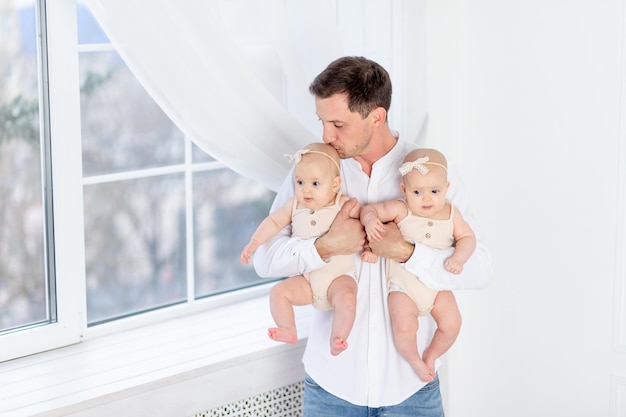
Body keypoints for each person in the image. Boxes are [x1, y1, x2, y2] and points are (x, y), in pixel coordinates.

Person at [253, 56, 492, 416]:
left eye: (337, 124)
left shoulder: (429, 171)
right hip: (330, 388)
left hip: (412, 389)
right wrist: (324, 246)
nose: (325, 136)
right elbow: (263, 259)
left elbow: (480, 269)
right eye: (322, 122)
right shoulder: (313, 169)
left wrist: (407, 252)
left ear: (376, 117)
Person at [360, 147, 475, 382]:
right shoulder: (401, 210)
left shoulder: (452, 214)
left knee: (452, 323)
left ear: (446, 188)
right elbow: (370, 210)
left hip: (437, 287)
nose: (426, 198)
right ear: (404, 190)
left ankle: (431, 355)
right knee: (404, 327)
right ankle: (413, 359)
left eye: (434, 191)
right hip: (403, 288)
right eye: (417, 191)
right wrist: (371, 219)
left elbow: (468, 238)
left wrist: (458, 258)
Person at [241, 142, 361, 356]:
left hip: (339, 278)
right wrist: (255, 242)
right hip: (307, 281)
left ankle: (338, 336)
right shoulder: (294, 204)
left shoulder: (343, 204)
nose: (306, 189)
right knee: (279, 292)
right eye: (300, 182)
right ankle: (288, 328)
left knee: (347, 298)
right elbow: (273, 222)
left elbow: (363, 226)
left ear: (335, 185)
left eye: (315, 183)